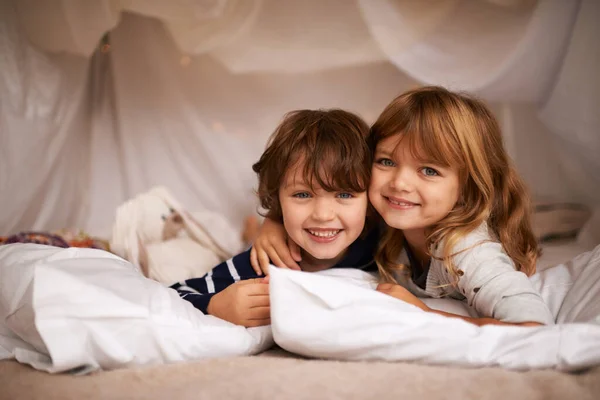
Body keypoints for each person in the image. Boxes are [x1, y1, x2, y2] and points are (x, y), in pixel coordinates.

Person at [251, 86, 554, 327]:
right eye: (386, 161)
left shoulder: (468, 251)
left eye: (429, 170)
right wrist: (273, 222)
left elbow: (532, 327)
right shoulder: (388, 216)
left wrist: (424, 314)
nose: (399, 183)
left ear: (466, 187)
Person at [171, 109, 379, 327]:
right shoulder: (259, 265)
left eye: (344, 194)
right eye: (302, 194)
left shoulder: (381, 244)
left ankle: (252, 230)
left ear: (371, 199)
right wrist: (214, 305)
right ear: (277, 200)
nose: (323, 215)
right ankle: (250, 234)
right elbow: (174, 294)